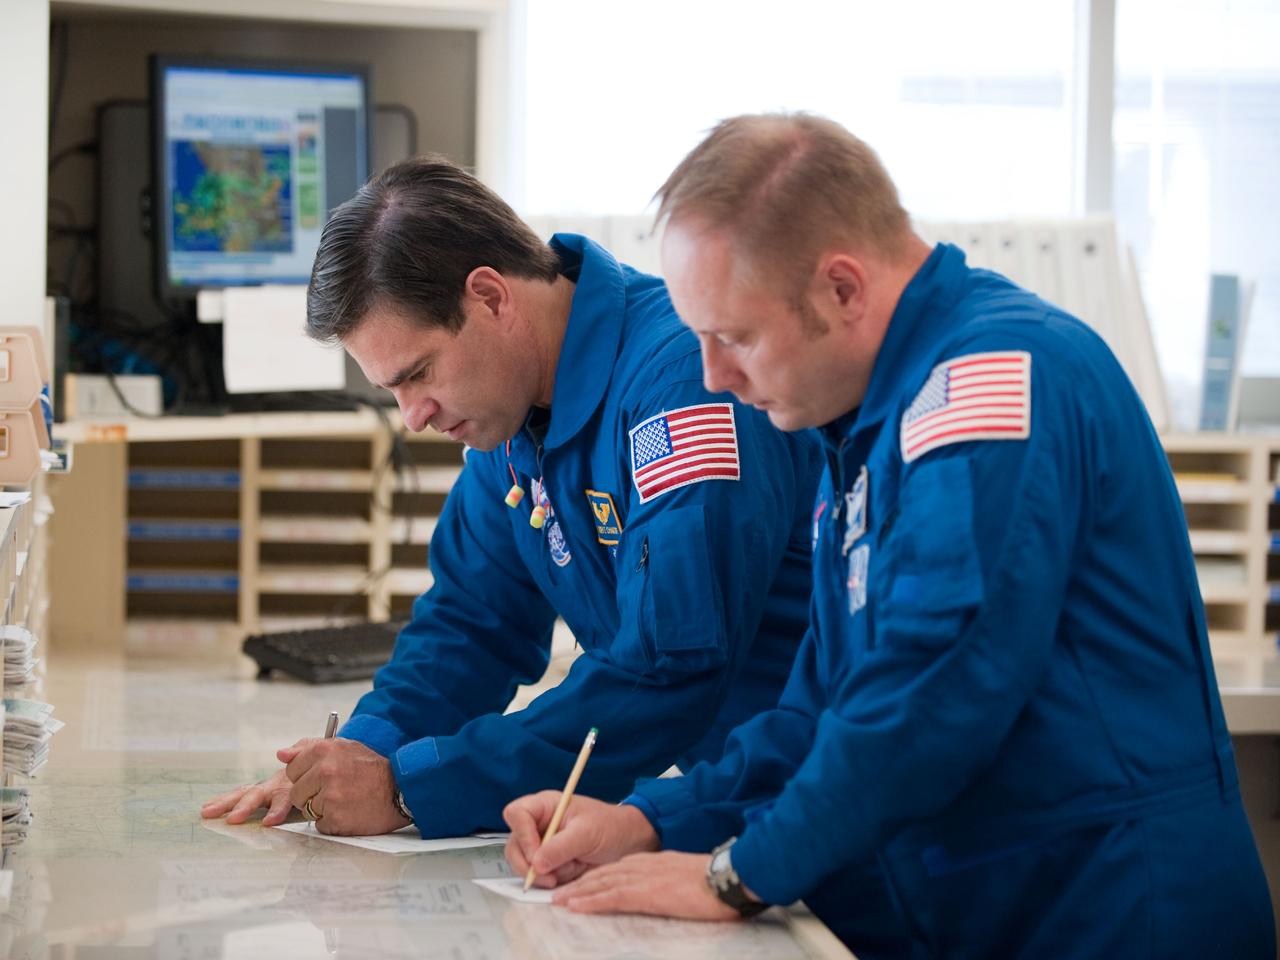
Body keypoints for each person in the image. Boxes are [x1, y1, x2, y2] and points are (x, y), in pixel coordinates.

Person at [502, 114, 1275, 958]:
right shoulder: (867, 424)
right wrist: (648, 821)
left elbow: (933, 683)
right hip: (1008, 902)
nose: (713, 375)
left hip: (1112, 909)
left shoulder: (988, 385)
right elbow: (819, 709)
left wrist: (735, 873)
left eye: (735, 336)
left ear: (842, 288)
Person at [200, 156, 822, 840]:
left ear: (491, 298)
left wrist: (412, 790)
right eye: (392, 392)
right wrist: (364, 752)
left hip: (831, 806)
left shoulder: (682, 388)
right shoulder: (510, 420)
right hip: (748, 802)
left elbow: (668, 668)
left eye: (419, 374)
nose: (413, 416)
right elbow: (471, 625)